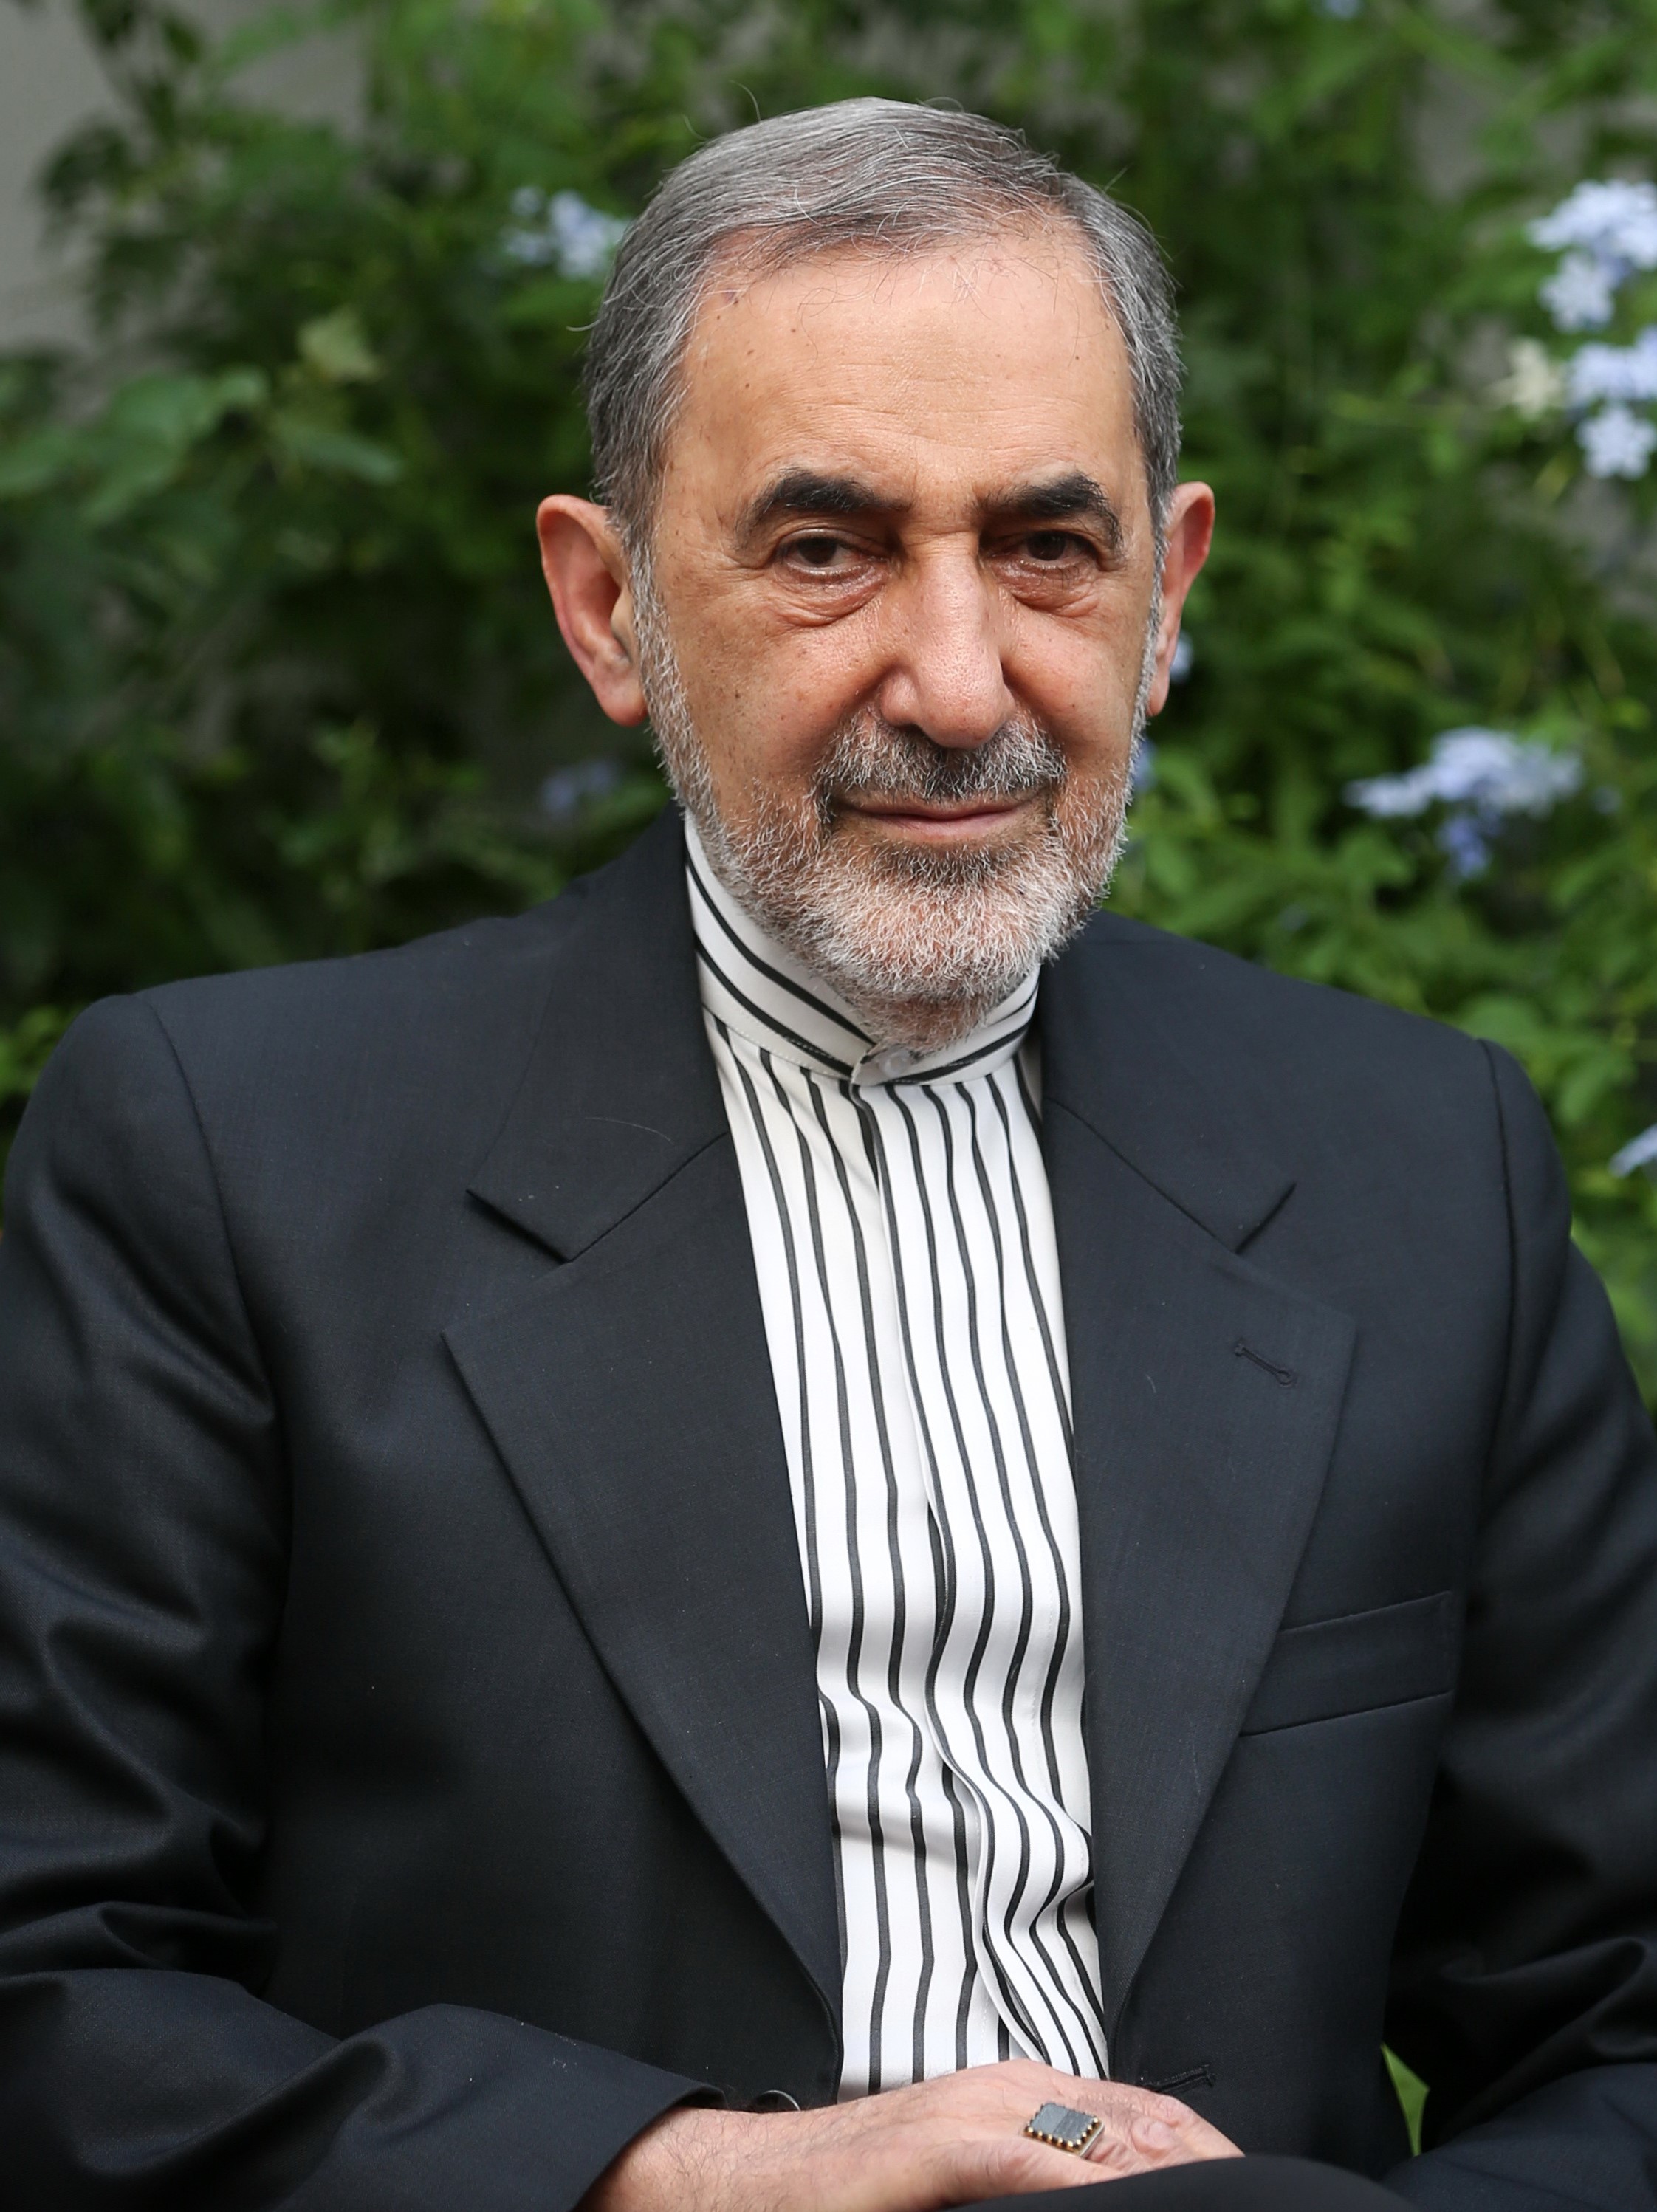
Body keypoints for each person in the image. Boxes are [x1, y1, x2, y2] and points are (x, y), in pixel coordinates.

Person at [0, 97, 1653, 2212]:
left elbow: (1622, 2026)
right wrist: (685, 2179)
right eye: (825, 552)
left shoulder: (1422, 1174)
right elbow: (56, 1998)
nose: (957, 686)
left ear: (1167, 595)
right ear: (608, 608)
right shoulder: (233, 1162)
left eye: (1046, 548)